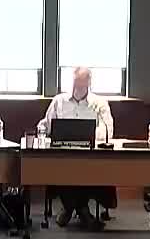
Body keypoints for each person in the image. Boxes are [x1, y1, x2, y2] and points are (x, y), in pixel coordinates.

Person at [40, 66, 115, 229]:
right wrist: (42, 131)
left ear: (89, 83)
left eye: (82, 83)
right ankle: (81, 209)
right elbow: (46, 125)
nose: (78, 86)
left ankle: (70, 209)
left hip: (90, 155)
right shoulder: (59, 101)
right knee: (62, 167)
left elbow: (108, 130)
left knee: (85, 169)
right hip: (62, 154)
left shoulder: (99, 103)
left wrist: (86, 133)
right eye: (76, 82)